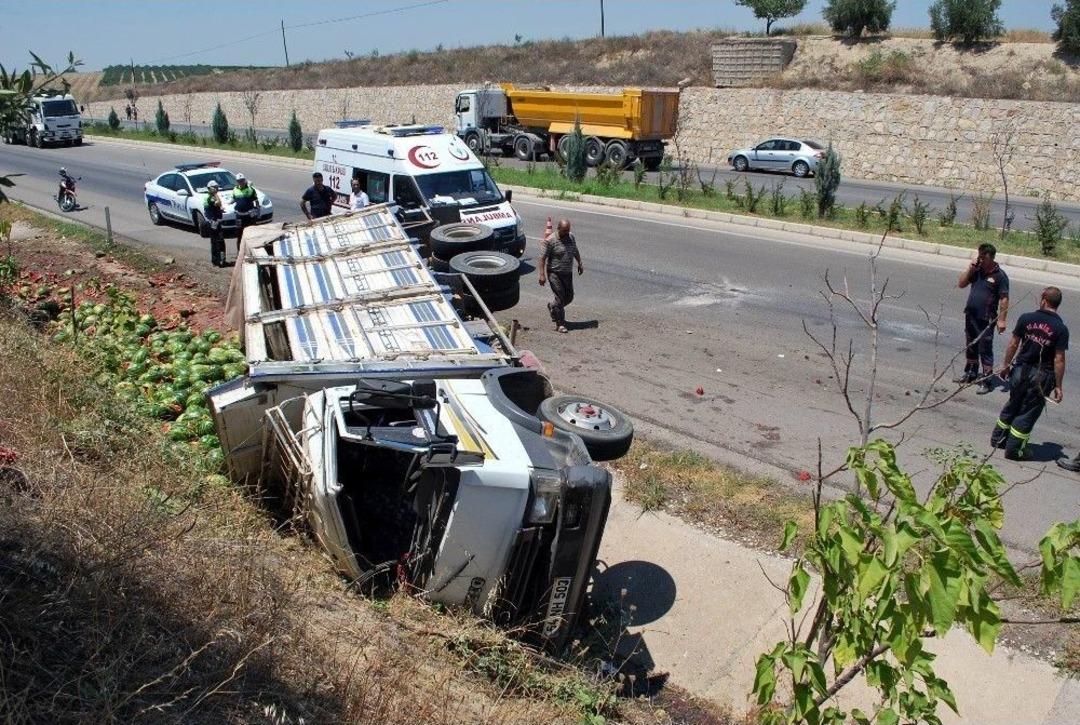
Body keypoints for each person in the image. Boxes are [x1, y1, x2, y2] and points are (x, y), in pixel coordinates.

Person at [991, 287, 1068, 461]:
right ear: (1057, 304)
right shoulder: (1060, 329)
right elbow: (1059, 360)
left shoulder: (1027, 318)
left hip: (1020, 371)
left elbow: (1013, 344)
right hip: (1041, 377)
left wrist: (1006, 365)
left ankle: (998, 439)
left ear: (1043, 300)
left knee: (1013, 404)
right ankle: (1014, 450)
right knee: (1027, 413)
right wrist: (1058, 386)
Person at [957, 243, 1009, 394]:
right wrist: (970, 268)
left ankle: (986, 380)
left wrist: (1002, 320)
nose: (980, 259)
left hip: (986, 319)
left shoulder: (1000, 276)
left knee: (984, 348)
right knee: (971, 345)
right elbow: (961, 284)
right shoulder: (977, 270)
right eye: (979, 255)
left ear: (990, 257)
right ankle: (971, 373)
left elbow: (1004, 298)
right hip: (971, 314)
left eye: (982, 256)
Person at [538, 218, 583, 334]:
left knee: (569, 297)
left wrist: (580, 263)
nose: (566, 233)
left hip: (567, 273)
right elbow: (542, 259)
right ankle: (560, 324)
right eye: (564, 231)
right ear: (558, 229)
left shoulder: (571, 237)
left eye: (568, 230)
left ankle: (553, 307)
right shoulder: (550, 240)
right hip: (554, 273)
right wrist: (542, 275)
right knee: (560, 297)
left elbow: (575, 249)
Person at [231, 173, 259, 248]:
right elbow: (234, 199)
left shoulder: (250, 189)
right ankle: (240, 252)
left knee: (251, 233)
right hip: (239, 216)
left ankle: (251, 250)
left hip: (249, 215)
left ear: (245, 180)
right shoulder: (235, 190)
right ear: (237, 182)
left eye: (242, 180)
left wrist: (258, 211)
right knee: (239, 234)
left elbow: (256, 201)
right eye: (239, 181)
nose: (241, 182)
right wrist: (228, 203)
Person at [204, 180, 226, 267]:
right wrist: (215, 194)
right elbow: (218, 203)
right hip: (213, 222)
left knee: (216, 241)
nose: (217, 190)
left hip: (216, 221)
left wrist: (220, 210)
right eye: (215, 188)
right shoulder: (210, 197)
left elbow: (215, 207)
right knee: (218, 241)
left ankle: (219, 260)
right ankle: (219, 260)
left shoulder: (211, 197)